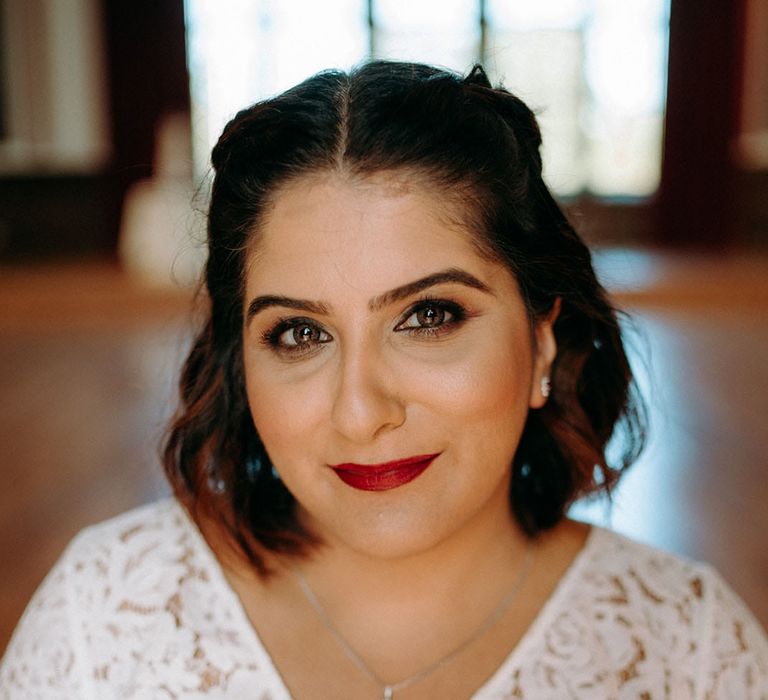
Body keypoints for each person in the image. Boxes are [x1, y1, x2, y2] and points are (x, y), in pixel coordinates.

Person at [1, 61, 766, 699]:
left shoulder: (688, 651)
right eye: (299, 333)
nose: (361, 412)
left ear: (540, 343)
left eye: (430, 316)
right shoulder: (100, 619)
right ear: (240, 360)